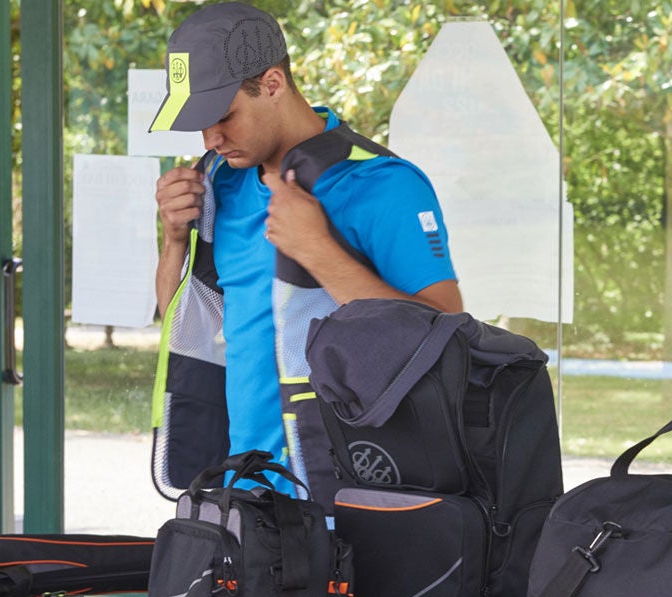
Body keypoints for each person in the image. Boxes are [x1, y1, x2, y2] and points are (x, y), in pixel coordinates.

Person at [147, 2, 461, 500]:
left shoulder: (382, 184)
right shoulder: (217, 184)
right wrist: (173, 242)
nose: (211, 138)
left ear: (272, 84)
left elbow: (447, 336)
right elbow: (191, 333)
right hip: (241, 495)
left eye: (223, 116)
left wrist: (317, 251)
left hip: (346, 500)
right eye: (199, 124)